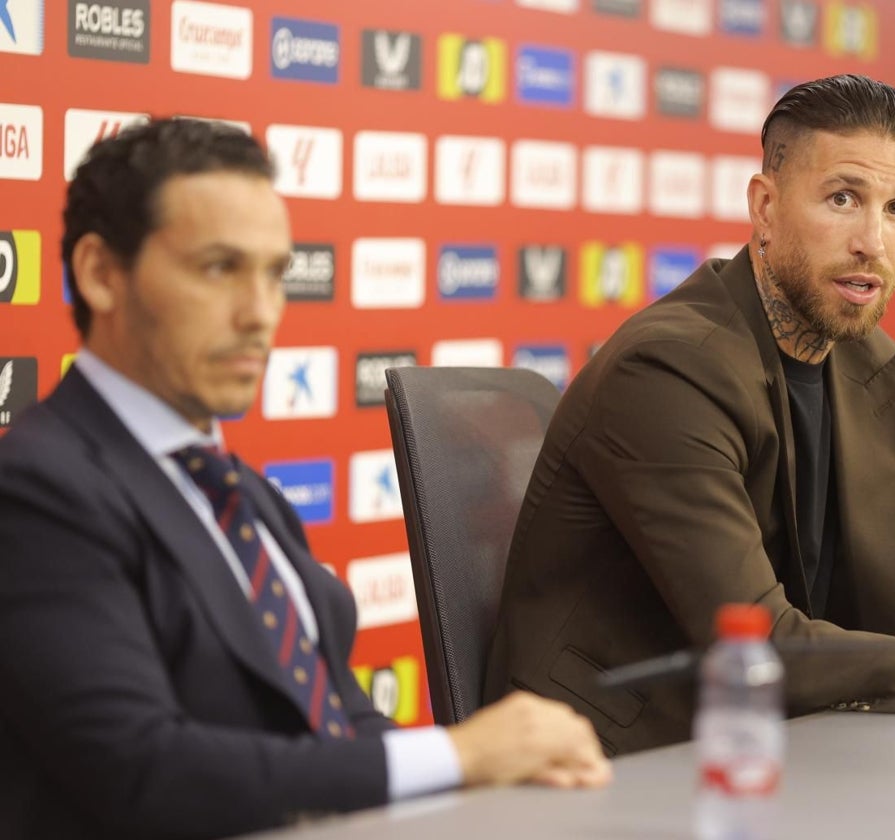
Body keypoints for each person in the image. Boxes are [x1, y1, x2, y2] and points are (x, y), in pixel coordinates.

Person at [483, 74, 895, 756]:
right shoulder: (667, 370)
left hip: (777, 750)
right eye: (844, 199)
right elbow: (762, 649)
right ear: (766, 207)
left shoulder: (875, 371)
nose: (875, 240)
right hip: (609, 763)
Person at [0, 118, 609, 840]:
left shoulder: (239, 492)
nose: (260, 314)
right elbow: (144, 770)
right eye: (219, 268)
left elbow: (336, 717)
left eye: (274, 273)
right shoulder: (37, 488)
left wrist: (486, 786)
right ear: (101, 273)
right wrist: (457, 753)